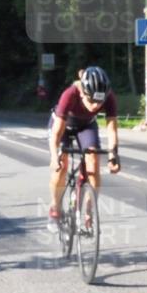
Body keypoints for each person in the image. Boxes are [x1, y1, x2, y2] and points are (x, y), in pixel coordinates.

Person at [47, 66, 121, 232]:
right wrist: (54, 156)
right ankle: (55, 209)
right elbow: (57, 133)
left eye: (99, 102)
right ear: (82, 93)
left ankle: (88, 212)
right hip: (63, 125)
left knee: (93, 163)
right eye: (91, 101)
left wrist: (113, 157)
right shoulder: (70, 94)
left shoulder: (109, 97)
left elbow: (112, 129)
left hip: (86, 125)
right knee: (62, 167)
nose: (95, 106)